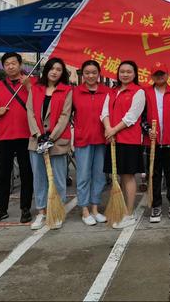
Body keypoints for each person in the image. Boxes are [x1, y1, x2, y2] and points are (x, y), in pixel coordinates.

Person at [0, 53, 34, 225]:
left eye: (13, 63)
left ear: (20, 65)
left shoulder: (30, 83)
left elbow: (39, 103)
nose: (10, 66)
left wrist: (28, 87)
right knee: (3, 174)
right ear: (3, 67)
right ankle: (1, 209)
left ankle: (25, 208)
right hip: (3, 136)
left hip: (26, 135)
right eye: (7, 64)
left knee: (27, 173)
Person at [27, 57, 72, 230]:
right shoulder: (36, 89)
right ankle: (41, 212)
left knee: (59, 178)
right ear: (46, 70)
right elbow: (30, 112)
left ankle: (57, 211)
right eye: (52, 68)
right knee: (39, 178)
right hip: (36, 140)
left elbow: (64, 116)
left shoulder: (67, 90)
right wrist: (39, 135)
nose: (54, 72)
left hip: (57, 141)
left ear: (62, 73)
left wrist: (51, 137)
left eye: (58, 69)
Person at [101, 60, 146, 229]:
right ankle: (119, 208)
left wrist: (113, 130)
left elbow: (131, 116)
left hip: (129, 140)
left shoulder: (138, 92)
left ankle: (129, 212)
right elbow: (104, 112)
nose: (125, 74)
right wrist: (108, 128)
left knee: (128, 175)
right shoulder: (112, 92)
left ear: (135, 74)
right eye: (122, 72)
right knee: (118, 175)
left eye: (129, 71)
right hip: (113, 139)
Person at [72, 60, 110, 226]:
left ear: (99, 73)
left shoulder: (107, 92)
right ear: (82, 74)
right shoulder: (75, 92)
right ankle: (84, 209)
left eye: (94, 72)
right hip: (83, 139)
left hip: (102, 139)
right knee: (83, 176)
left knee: (100, 176)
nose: (90, 76)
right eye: (87, 72)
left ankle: (95, 208)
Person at [143, 62, 170, 223]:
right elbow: (141, 117)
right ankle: (156, 205)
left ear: (167, 75)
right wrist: (147, 130)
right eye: (156, 74)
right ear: (152, 76)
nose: (160, 76)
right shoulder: (145, 93)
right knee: (154, 174)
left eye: (162, 73)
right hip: (152, 142)